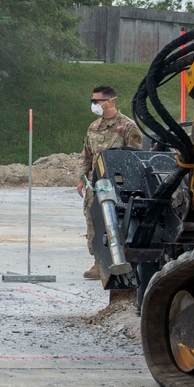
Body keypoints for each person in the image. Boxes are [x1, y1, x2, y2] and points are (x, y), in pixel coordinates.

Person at [76, 85, 142, 279]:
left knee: (117, 226)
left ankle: (122, 263)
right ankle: (98, 263)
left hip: (117, 187)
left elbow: (135, 158)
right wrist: (81, 178)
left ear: (110, 101)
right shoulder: (94, 127)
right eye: (92, 101)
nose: (94, 105)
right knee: (93, 224)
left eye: (96, 101)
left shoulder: (128, 127)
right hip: (95, 186)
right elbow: (86, 155)